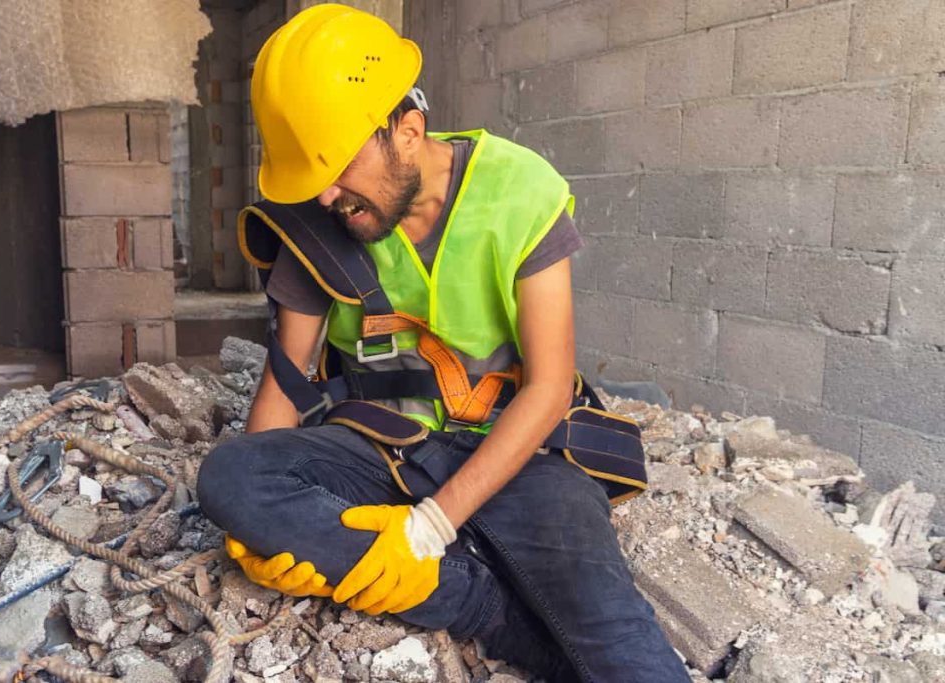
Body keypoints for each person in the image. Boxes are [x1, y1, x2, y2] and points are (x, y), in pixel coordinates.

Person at [197, 4, 689, 681]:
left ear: (408, 130)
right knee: (231, 476)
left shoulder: (519, 191)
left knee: (620, 644)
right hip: (382, 450)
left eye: (338, 169)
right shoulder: (316, 222)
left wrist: (429, 527)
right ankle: (480, 604)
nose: (328, 196)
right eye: (314, 181)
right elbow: (283, 386)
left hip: (518, 451)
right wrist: (252, 517)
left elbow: (549, 387)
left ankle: (474, 581)